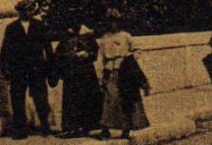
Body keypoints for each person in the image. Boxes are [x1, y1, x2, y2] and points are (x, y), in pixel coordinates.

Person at [0, 0, 54, 139]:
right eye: (25, 10)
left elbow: (47, 47)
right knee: (17, 98)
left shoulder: (40, 25)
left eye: (30, 10)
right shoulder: (12, 27)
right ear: (19, 12)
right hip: (19, 68)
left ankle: (44, 125)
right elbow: (5, 49)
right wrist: (5, 67)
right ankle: (19, 128)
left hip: (37, 67)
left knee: (40, 97)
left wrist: (50, 67)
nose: (28, 13)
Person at [98, 10, 151, 138]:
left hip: (124, 71)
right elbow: (100, 58)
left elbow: (138, 50)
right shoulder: (104, 38)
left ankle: (126, 128)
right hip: (109, 71)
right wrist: (100, 74)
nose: (113, 24)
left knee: (124, 99)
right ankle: (105, 128)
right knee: (109, 99)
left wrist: (130, 56)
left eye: (115, 21)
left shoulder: (126, 36)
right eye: (110, 21)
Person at [54, 24, 103, 137]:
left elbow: (95, 53)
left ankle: (90, 125)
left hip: (87, 73)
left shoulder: (88, 36)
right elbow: (59, 56)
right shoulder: (65, 39)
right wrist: (72, 56)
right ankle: (71, 128)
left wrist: (87, 55)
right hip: (71, 74)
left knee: (89, 98)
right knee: (71, 101)